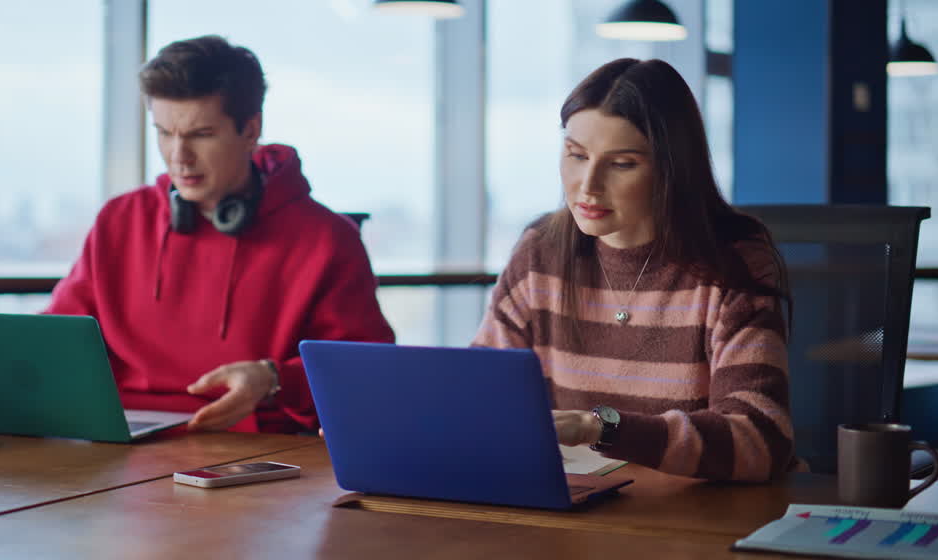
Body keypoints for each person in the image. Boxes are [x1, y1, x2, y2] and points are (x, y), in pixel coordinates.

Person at [46, 35, 395, 434]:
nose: (178, 157)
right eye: (164, 132)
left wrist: (273, 379)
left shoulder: (328, 238)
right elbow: (57, 340)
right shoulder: (119, 220)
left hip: (253, 452)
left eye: (201, 134)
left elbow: (368, 372)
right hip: (121, 439)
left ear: (251, 130)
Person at [473, 58, 794, 482]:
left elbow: (759, 439)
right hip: (582, 508)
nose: (587, 185)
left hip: (695, 518)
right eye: (576, 155)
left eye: (622, 163)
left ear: (672, 169)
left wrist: (600, 428)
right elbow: (478, 396)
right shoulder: (540, 253)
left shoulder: (733, 264)